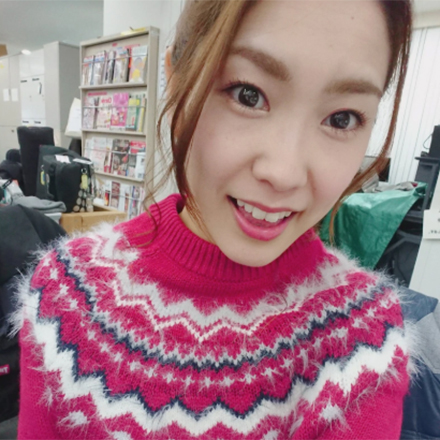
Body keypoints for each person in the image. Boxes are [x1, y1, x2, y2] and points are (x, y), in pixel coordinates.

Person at [12, 1, 414, 439]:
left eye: (342, 118)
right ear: (176, 78)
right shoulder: (68, 295)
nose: (284, 173)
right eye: (248, 94)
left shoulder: (360, 337)